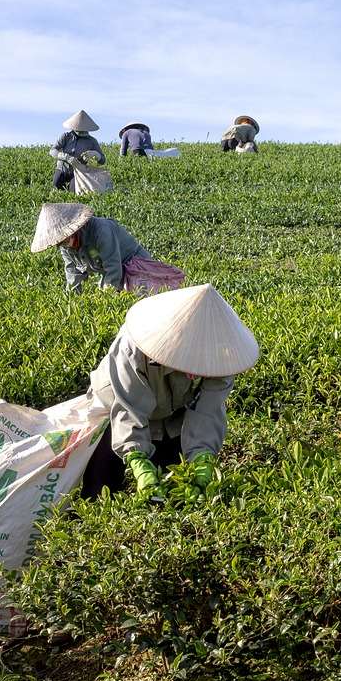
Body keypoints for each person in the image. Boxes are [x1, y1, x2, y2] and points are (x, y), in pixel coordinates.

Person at [79, 284, 259, 501]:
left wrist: (202, 456)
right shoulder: (133, 348)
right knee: (102, 483)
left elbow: (208, 411)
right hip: (114, 408)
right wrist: (139, 461)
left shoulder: (223, 357)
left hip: (173, 411)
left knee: (172, 484)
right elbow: (128, 407)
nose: (196, 373)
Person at [30, 202, 186, 293]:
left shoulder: (101, 230)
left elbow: (113, 266)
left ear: (74, 230)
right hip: (113, 271)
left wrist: (106, 296)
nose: (62, 246)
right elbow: (72, 271)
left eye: (63, 241)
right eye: (59, 243)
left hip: (135, 267)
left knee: (146, 300)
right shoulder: (65, 246)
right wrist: (72, 299)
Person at [52, 111, 105, 190]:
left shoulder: (92, 141)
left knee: (73, 191)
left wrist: (95, 154)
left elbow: (103, 160)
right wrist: (65, 157)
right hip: (62, 168)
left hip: (78, 171)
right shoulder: (66, 136)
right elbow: (53, 151)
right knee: (56, 186)